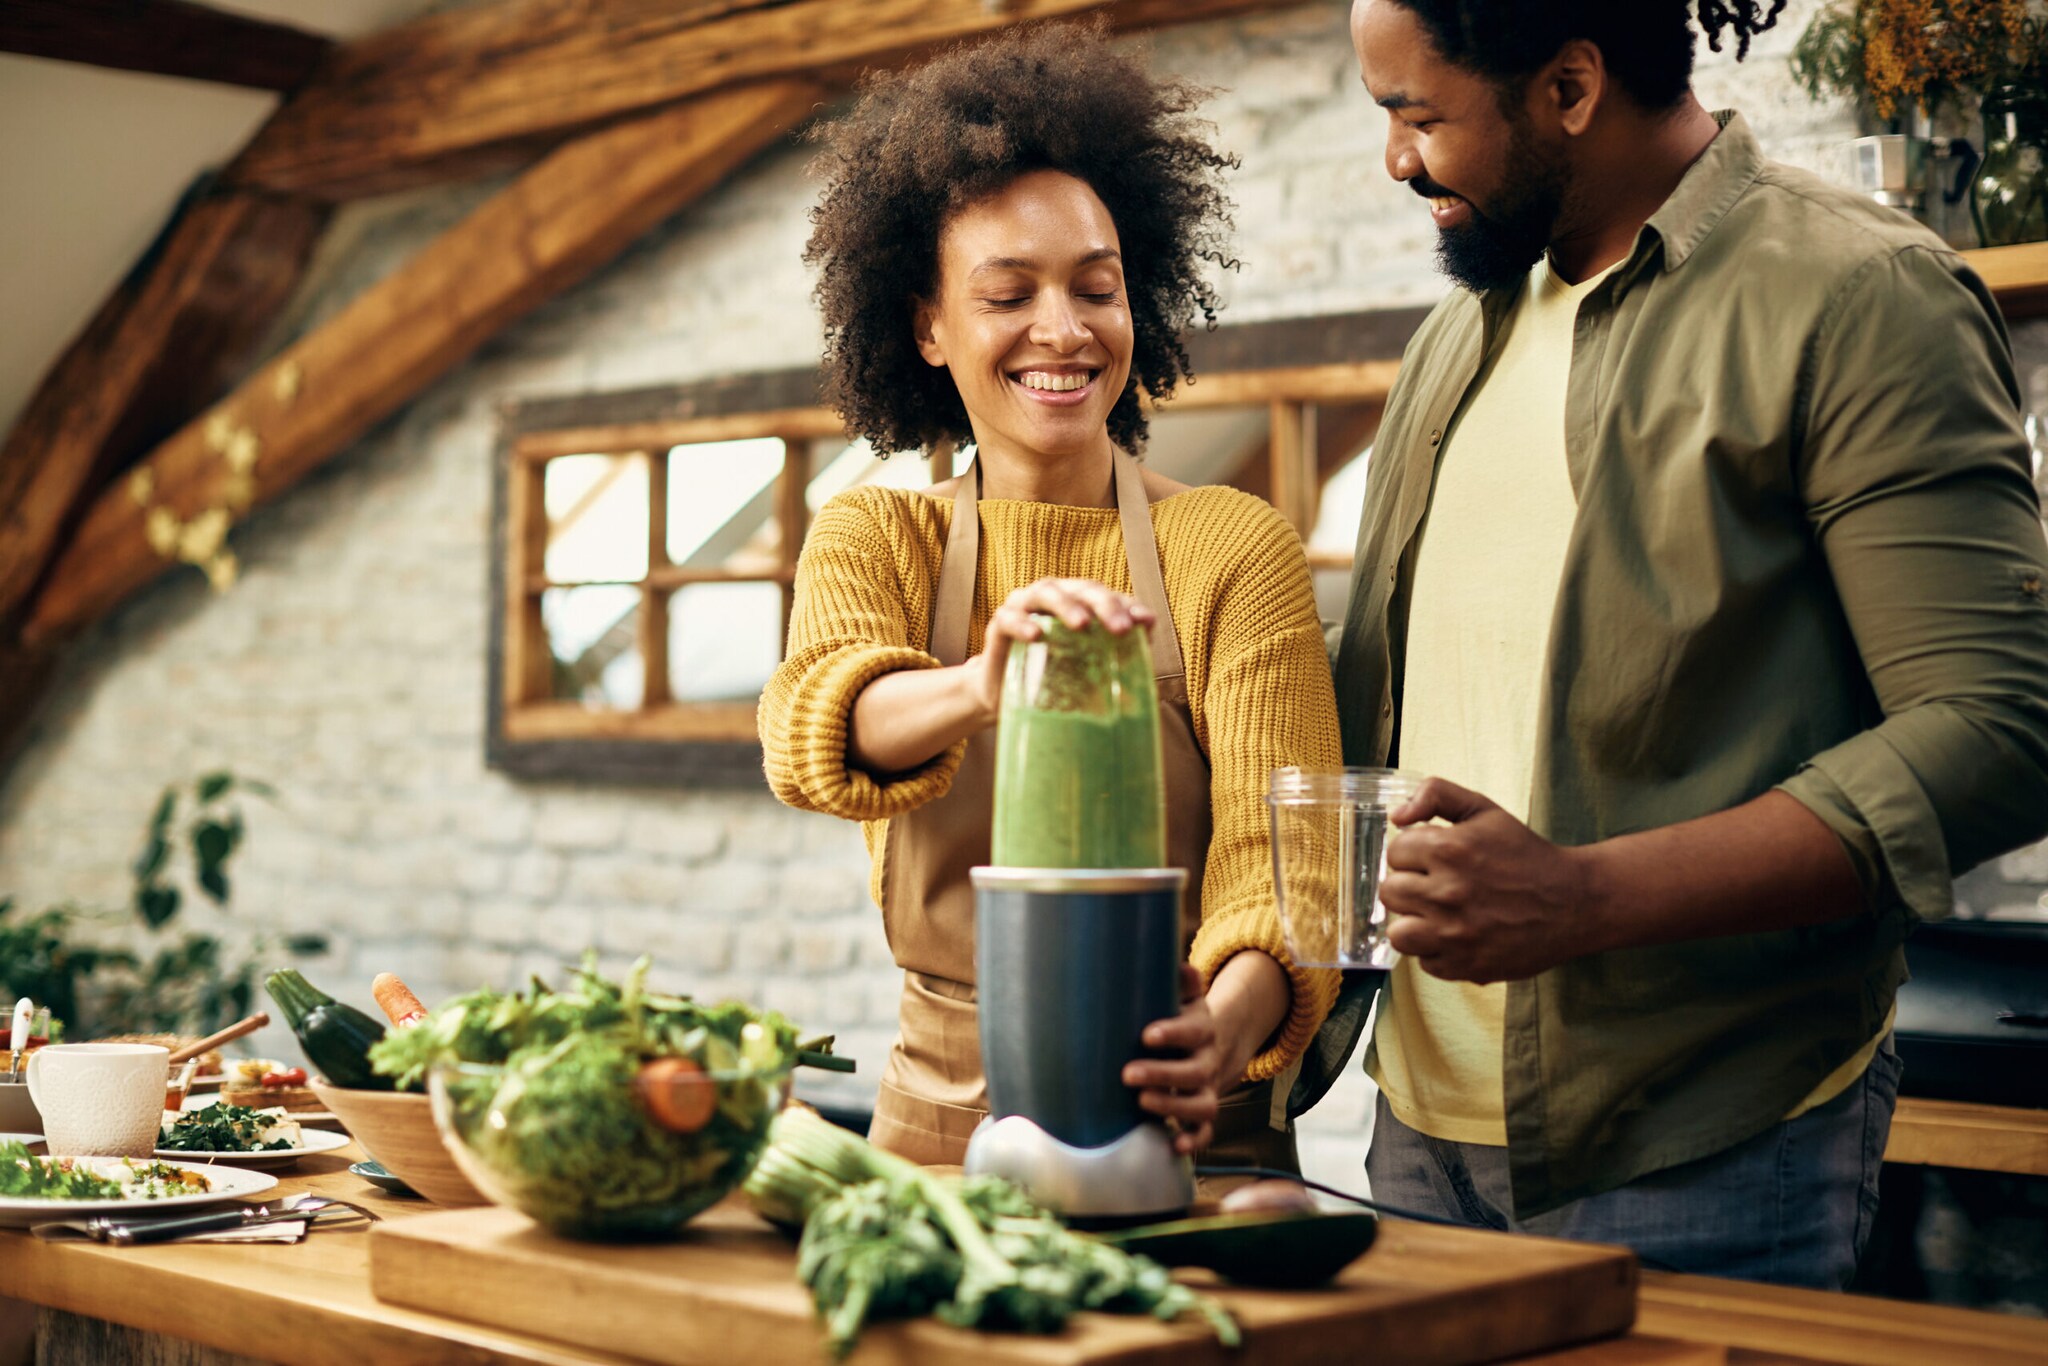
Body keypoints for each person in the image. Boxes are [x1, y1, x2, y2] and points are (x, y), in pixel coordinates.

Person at [1319, 0, 2048, 1286]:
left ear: (1570, 87)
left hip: (1699, 1144)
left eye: (1416, 116)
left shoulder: (1853, 293)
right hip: (1417, 1136)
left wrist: (1581, 898)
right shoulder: (1453, 337)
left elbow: (1996, 729)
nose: (1394, 162)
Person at [759, 23, 1342, 1171]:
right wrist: (981, 686)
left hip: (1185, 1125)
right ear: (928, 326)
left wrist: (1220, 1033)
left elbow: (1288, 862)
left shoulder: (1228, 545)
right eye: (1007, 293)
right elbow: (810, 726)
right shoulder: (879, 534)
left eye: (1095, 288)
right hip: (935, 1128)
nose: (1063, 330)